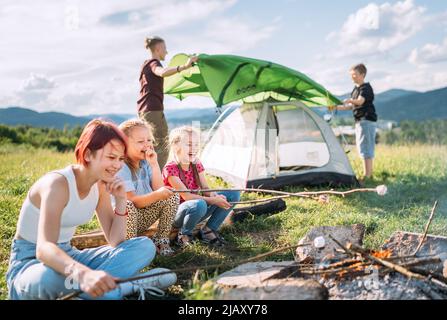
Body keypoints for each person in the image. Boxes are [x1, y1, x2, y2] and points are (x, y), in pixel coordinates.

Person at [6, 119, 176, 300]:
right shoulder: (57, 184)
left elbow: (116, 241)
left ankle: (91, 291)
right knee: (51, 277)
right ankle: (127, 286)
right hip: (31, 263)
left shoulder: (100, 186)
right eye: (111, 157)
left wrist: (120, 200)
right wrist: (83, 274)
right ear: (88, 154)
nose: (117, 165)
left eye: (120, 159)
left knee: (143, 246)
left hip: (70, 256)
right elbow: (44, 249)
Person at [162, 126, 240, 247]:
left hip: (197, 209)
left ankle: (208, 230)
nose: (194, 148)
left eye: (197, 145)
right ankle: (183, 234)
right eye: (189, 144)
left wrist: (214, 195)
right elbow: (187, 196)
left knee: (234, 194)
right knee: (199, 203)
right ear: (176, 145)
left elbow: (205, 187)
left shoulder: (196, 163)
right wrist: (213, 200)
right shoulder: (170, 169)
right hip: (177, 214)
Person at [117, 119, 179, 256]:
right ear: (124, 145)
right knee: (127, 205)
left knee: (171, 195)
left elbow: (159, 190)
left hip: (140, 218)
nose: (147, 145)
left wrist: (154, 164)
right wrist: (158, 195)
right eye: (140, 142)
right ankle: (132, 248)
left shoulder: (145, 163)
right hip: (120, 224)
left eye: (149, 140)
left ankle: (161, 239)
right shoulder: (121, 167)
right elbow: (133, 201)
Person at [137, 36, 198, 168]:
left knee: (149, 146)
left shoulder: (145, 65)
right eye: (164, 48)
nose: (166, 52)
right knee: (163, 146)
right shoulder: (153, 63)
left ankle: (147, 177)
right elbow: (162, 72)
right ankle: (157, 180)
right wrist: (185, 66)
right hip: (153, 111)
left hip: (145, 110)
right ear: (158, 49)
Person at [331, 63, 377, 181]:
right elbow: (350, 106)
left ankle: (367, 175)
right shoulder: (356, 89)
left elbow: (360, 102)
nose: (353, 77)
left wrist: (350, 100)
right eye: (351, 75)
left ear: (362, 74)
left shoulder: (365, 88)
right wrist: (336, 107)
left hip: (366, 120)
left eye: (355, 75)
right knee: (363, 147)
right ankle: (367, 174)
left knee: (366, 147)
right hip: (360, 121)